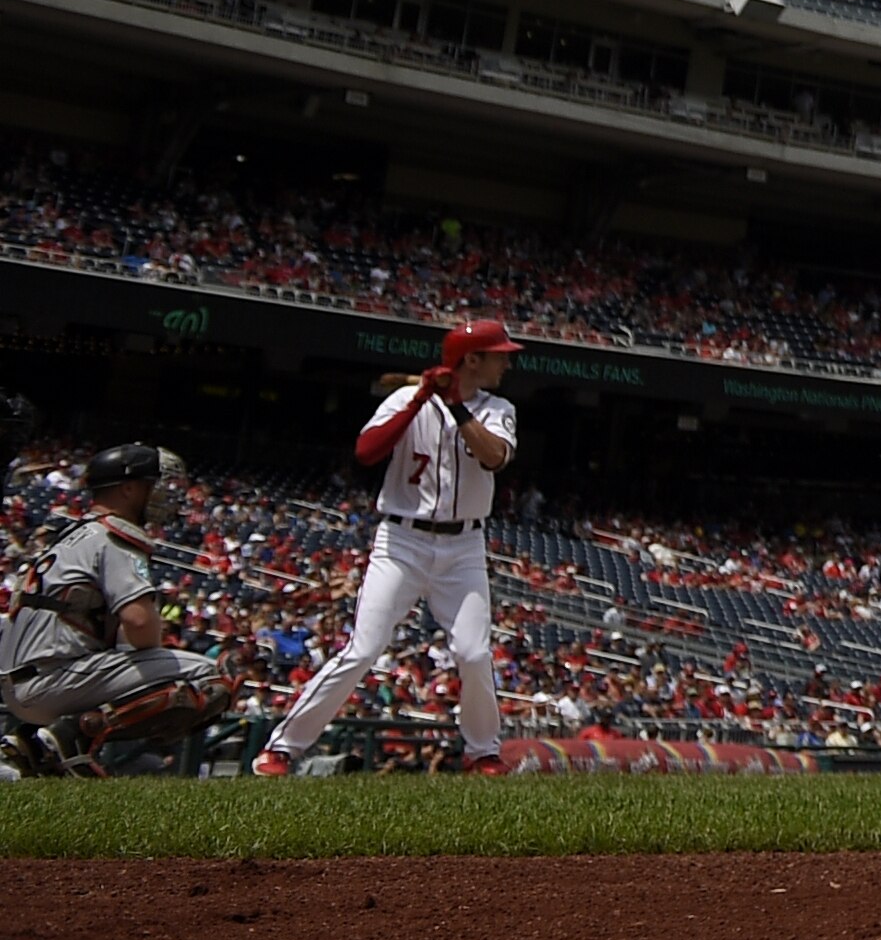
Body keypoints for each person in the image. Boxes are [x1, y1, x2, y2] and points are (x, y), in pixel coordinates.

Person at [256, 319, 523, 774]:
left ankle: (483, 751)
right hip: (401, 539)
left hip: (464, 547)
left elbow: (494, 457)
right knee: (362, 649)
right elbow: (367, 451)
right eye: (498, 354)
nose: (507, 361)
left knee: (475, 653)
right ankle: (283, 747)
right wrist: (421, 396)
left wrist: (457, 406)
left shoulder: (498, 407)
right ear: (471, 359)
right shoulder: (406, 398)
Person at [3, 443, 223, 775]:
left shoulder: (71, 534)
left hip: (21, 679)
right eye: (158, 485)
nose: (166, 495)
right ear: (129, 488)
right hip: (55, 679)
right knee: (212, 677)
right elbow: (139, 625)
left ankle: (31, 747)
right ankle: (72, 736)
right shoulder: (115, 535)